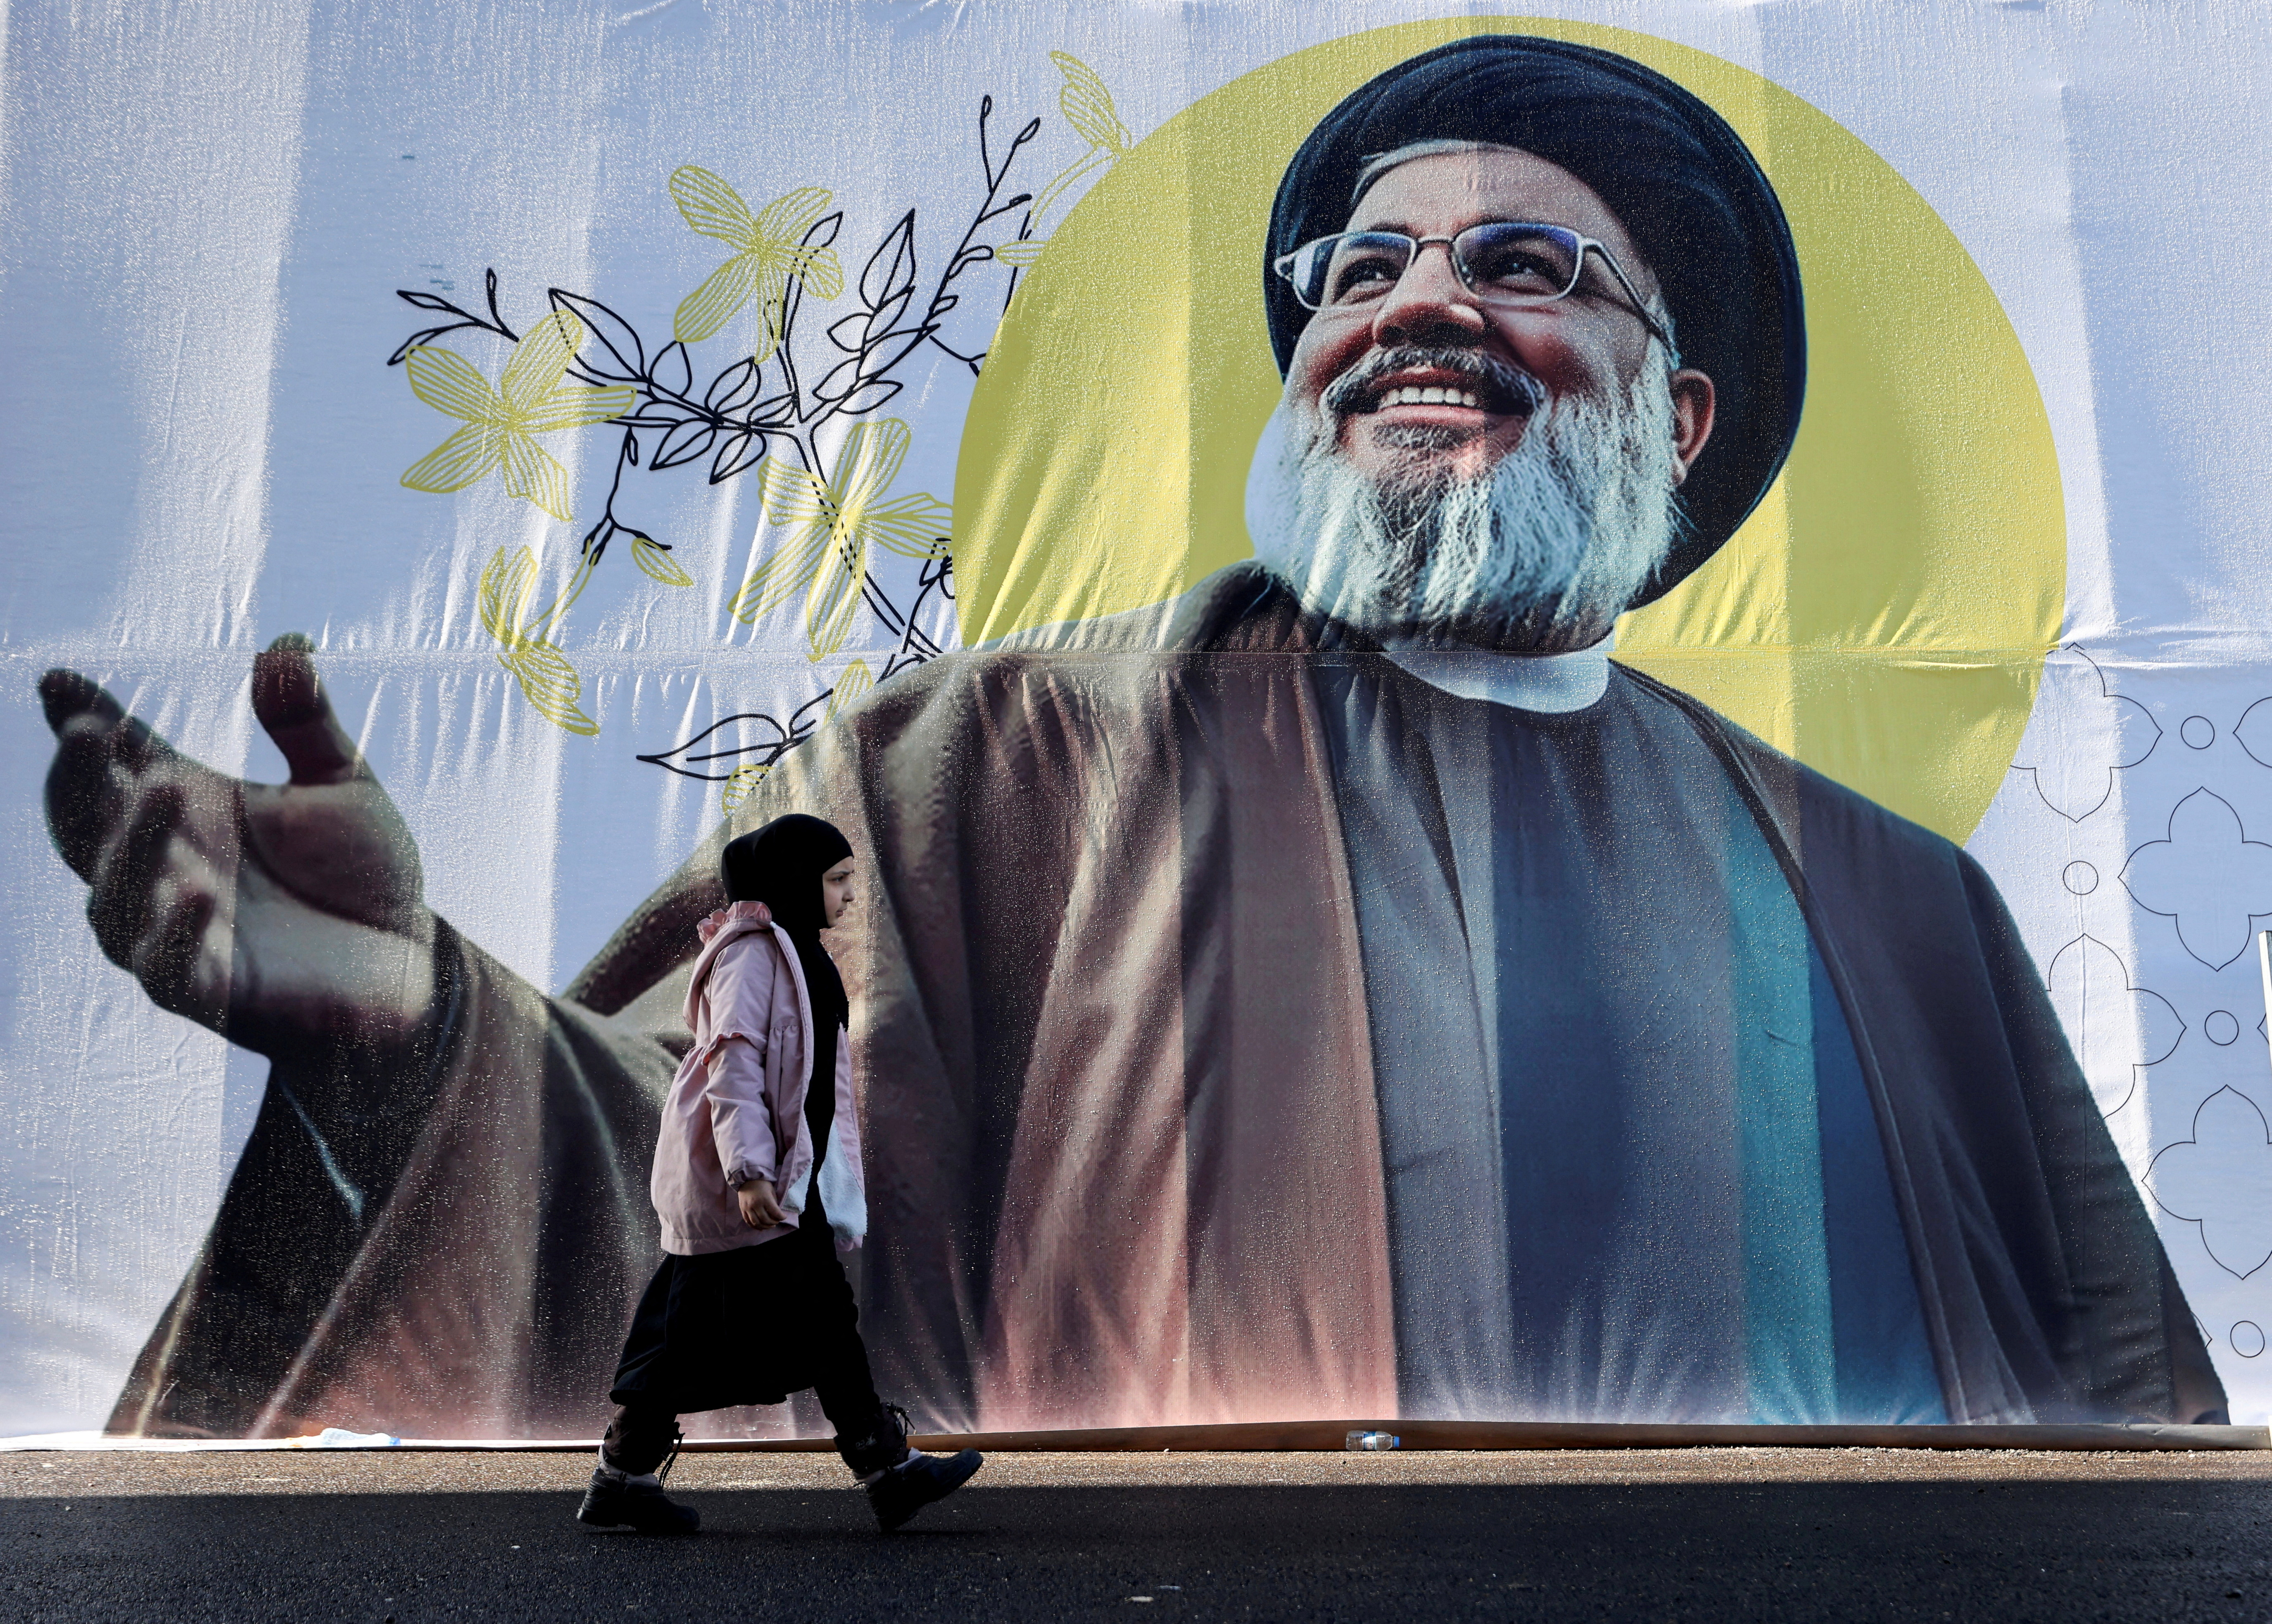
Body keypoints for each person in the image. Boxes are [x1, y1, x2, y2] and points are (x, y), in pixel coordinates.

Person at [37, 35, 2222, 1439]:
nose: (1411, 306)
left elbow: (2123, 1450)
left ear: (1676, 418)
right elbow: (688, 1187)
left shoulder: (1892, 905)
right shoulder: (950, 770)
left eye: (1526, 261)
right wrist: (409, 1046)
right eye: (1357, 268)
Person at [578, 813, 982, 1534]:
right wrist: (749, 1172)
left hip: (783, 1177)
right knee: (799, 1319)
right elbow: (731, 1062)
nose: (850, 895)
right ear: (796, 882)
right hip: (747, 1184)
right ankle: (886, 1469)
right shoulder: (753, 956)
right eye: (836, 881)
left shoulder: (797, 951)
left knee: (705, 1333)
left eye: (850, 879)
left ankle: (623, 1479)